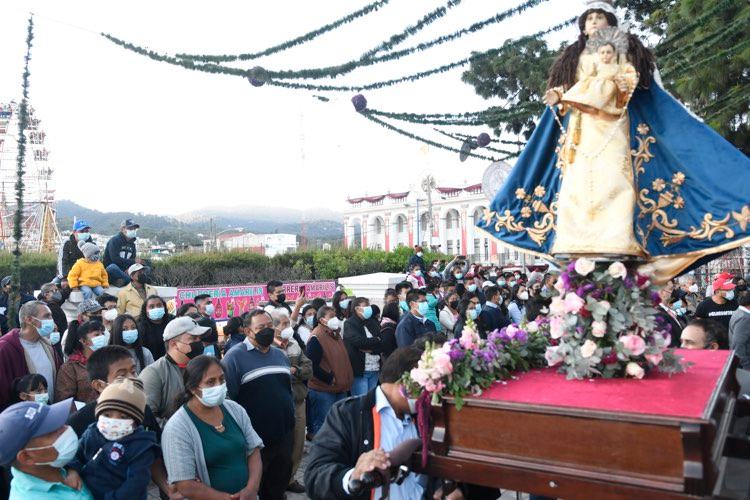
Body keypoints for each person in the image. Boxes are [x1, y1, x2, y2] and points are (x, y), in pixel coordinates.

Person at [304, 346, 467, 500]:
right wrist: (353, 477)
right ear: (406, 383)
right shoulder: (348, 414)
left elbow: (440, 465)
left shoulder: (428, 417)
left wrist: (447, 488)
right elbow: (314, 477)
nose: (430, 395)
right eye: (427, 387)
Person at [65, 346, 171, 497]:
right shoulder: (80, 422)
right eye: (121, 376)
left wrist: (167, 488)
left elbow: (149, 466)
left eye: (133, 372)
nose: (132, 379)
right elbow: (74, 455)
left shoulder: (142, 410)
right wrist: (72, 469)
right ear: (99, 385)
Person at [162, 356, 262, 499]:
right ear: (192, 388)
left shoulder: (235, 410)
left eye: (222, 379)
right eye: (210, 382)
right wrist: (226, 498)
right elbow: (185, 484)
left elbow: (254, 450)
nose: (219, 386)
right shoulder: (177, 428)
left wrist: (251, 489)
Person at [221, 309, 295, 500]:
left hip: (283, 435)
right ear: (247, 331)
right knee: (256, 488)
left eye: (270, 326)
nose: (267, 331)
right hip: (255, 441)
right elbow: (228, 400)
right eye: (261, 327)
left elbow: (286, 391)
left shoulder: (280, 355)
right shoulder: (234, 357)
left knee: (278, 487)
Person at [70, 377, 159, 499]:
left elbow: (136, 483)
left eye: (123, 417)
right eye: (107, 415)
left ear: (135, 422)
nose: (114, 420)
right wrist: (72, 470)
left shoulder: (141, 447)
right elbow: (76, 454)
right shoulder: (92, 432)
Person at [0, 398, 93, 499]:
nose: (66, 429)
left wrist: (71, 468)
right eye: (52, 431)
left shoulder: (55, 466)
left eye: (60, 422)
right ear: (27, 457)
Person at [271, 310, 312, 494]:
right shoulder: (269, 348)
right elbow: (277, 375)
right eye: (284, 324)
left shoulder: (294, 343)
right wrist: (289, 373)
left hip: (297, 399)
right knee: (280, 444)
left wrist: (295, 370)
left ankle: (290, 477)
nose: (288, 327)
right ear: (274, 328)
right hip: (278, 403)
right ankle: (274, 479)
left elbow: (308, 367)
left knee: (298, 442)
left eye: (289, 323)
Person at [140, 316, 209, 421]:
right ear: (174, 344)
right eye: (193, 338)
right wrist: (182, 431)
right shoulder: (154, 373)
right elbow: (149, 419)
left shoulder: (206, 368)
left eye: (200, 338)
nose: (199, 343)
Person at [0, 301, 62, 410]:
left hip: (49, 412)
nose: (51, 320)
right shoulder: (5, 349)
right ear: (29, 320)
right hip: (22, 417)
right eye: (47, 316)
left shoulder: (47, 345)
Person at [306, 306, 353, 439]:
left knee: (338, 425)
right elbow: (311, 365)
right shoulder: (317, 336)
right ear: (322, 320)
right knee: (323, 426)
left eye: (335, 316)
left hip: (339, 388)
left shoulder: (335, 334)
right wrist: (330, 378)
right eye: (331, 317)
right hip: (324, 389)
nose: (335, 319)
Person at [57, 321, 109, 404]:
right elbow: (65, 401)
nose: (102, 337)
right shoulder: (70, 367)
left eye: (102, 334)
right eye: (96, 335)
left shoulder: (109, 361)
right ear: (83, 341)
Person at [344, 297, 383, 397]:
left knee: (371, 401)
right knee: (361, 402)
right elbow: (359, 342)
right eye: (366, 306)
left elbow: (382, 341)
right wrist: (376, 340)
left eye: (369, 306)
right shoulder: (350, 323)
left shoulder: (372, 322)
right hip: (360, 370)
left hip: (375, 368)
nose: (369, 308)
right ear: (357, 309)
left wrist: (372, 348)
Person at [104, 219, 142, 286]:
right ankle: (131, 281)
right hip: (112, 270)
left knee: (145, 267)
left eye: (134, 229)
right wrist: (133, 262)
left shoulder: (132, 244)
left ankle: (121, 281)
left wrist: (130, 268)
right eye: (130, 228)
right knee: (112, 267)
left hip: (125, 271)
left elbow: (132, 260)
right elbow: (115, 259)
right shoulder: (114, 240)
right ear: (122, 229)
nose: (133, 230)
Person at [138, 295, 174, 361]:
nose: (156, 308)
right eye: (151, 307)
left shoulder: (173, 321)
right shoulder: (141, 328)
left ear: (164, 307)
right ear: (145, 310)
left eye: (159, 305)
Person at [656, 281, 686, 348]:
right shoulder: (658, 314)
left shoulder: (670, 311)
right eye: (671, 289)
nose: (673, 292)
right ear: (662, 292)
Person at [729, 291, 750, 369]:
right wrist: (747, 367)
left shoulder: (739, 312)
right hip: (745, 364)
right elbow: (738, 345)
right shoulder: (745, 318)